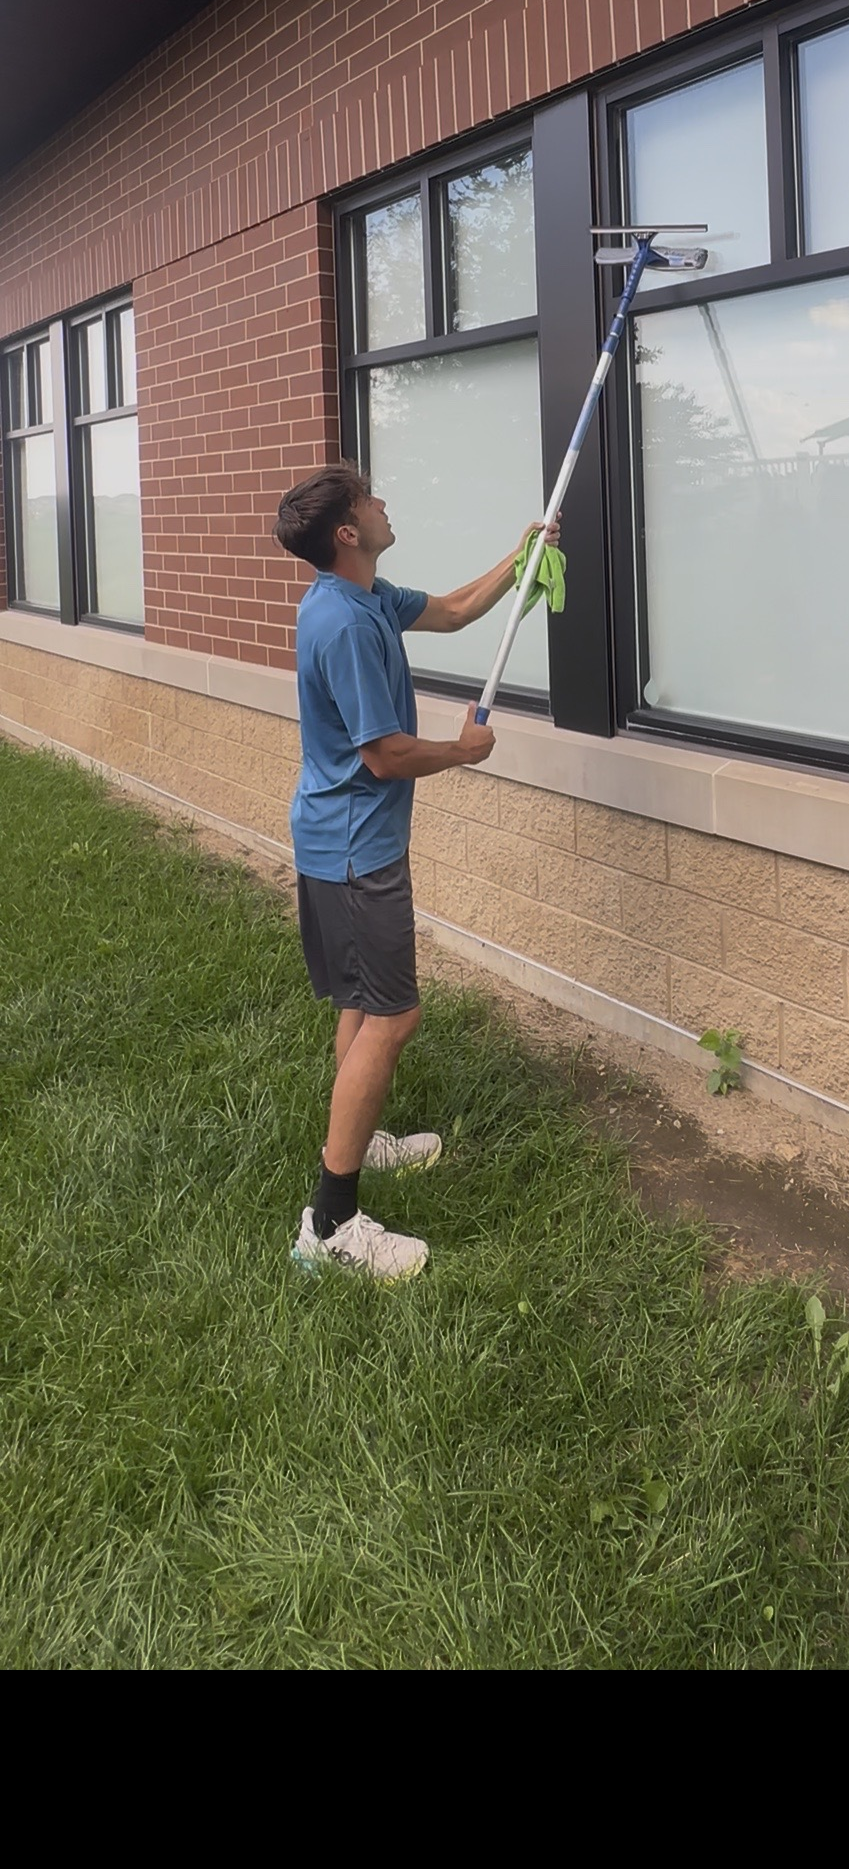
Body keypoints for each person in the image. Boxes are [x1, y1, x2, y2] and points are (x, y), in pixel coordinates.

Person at [273, 464, 556, 1281]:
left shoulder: (362, 598)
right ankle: (330, 1224)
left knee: (364, 1002)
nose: (384, 501)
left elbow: (460, 609)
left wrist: (521, 554)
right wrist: (463, 753)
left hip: (341, 839)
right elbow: (385, 754)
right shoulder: (347, 627)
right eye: (370, 498)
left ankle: (364, 1138)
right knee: (394, 1019)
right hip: (355, 848)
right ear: (347, 533)